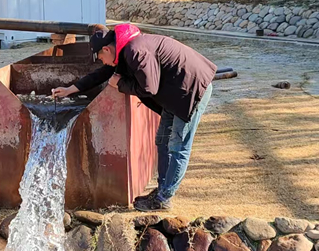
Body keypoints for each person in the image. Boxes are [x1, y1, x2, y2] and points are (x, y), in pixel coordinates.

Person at [52, 23, 216, 211]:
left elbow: (149, 87)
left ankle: (164, 198)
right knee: (162, 140)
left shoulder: (135, 51)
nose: (102, 62)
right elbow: (102, 74)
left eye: (101, 57)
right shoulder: (122, 50)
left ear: (107, 48)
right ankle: (162, 190)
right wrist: (70, 90)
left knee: (178, 147)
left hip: (191, 89)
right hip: (176, 91)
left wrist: (121, 83)